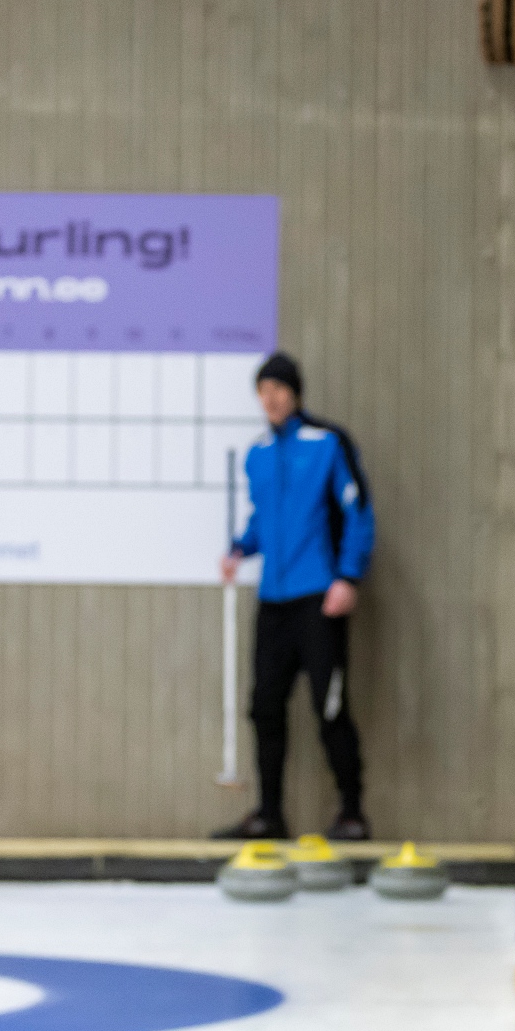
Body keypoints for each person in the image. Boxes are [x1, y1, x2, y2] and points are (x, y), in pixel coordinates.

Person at [212, 352, 375, 842]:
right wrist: (240, 548)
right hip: (274, 600)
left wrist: (348, 577)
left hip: (319, 597)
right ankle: (269, 814)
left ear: (295, 393)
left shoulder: (327, 443)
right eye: (263, 390)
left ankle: (351, 812)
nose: (271, 398)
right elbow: (264, 519)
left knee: (329, 706)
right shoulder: (259, 454)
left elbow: (358, 512)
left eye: (279, 389)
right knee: (264, 706)